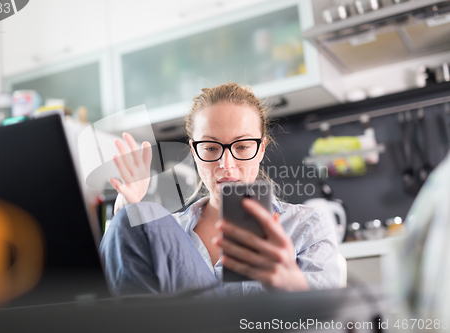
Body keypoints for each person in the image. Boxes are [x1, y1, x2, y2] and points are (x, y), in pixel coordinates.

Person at [100, 82, 340, 297]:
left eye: (243, 146)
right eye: (211, 148)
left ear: (261, 148)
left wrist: (290, 285)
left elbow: (329, 323)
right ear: (195, 152)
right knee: (134, 217)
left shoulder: (307, 226)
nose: (226, 164)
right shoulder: (166, 233)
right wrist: (128, 215)